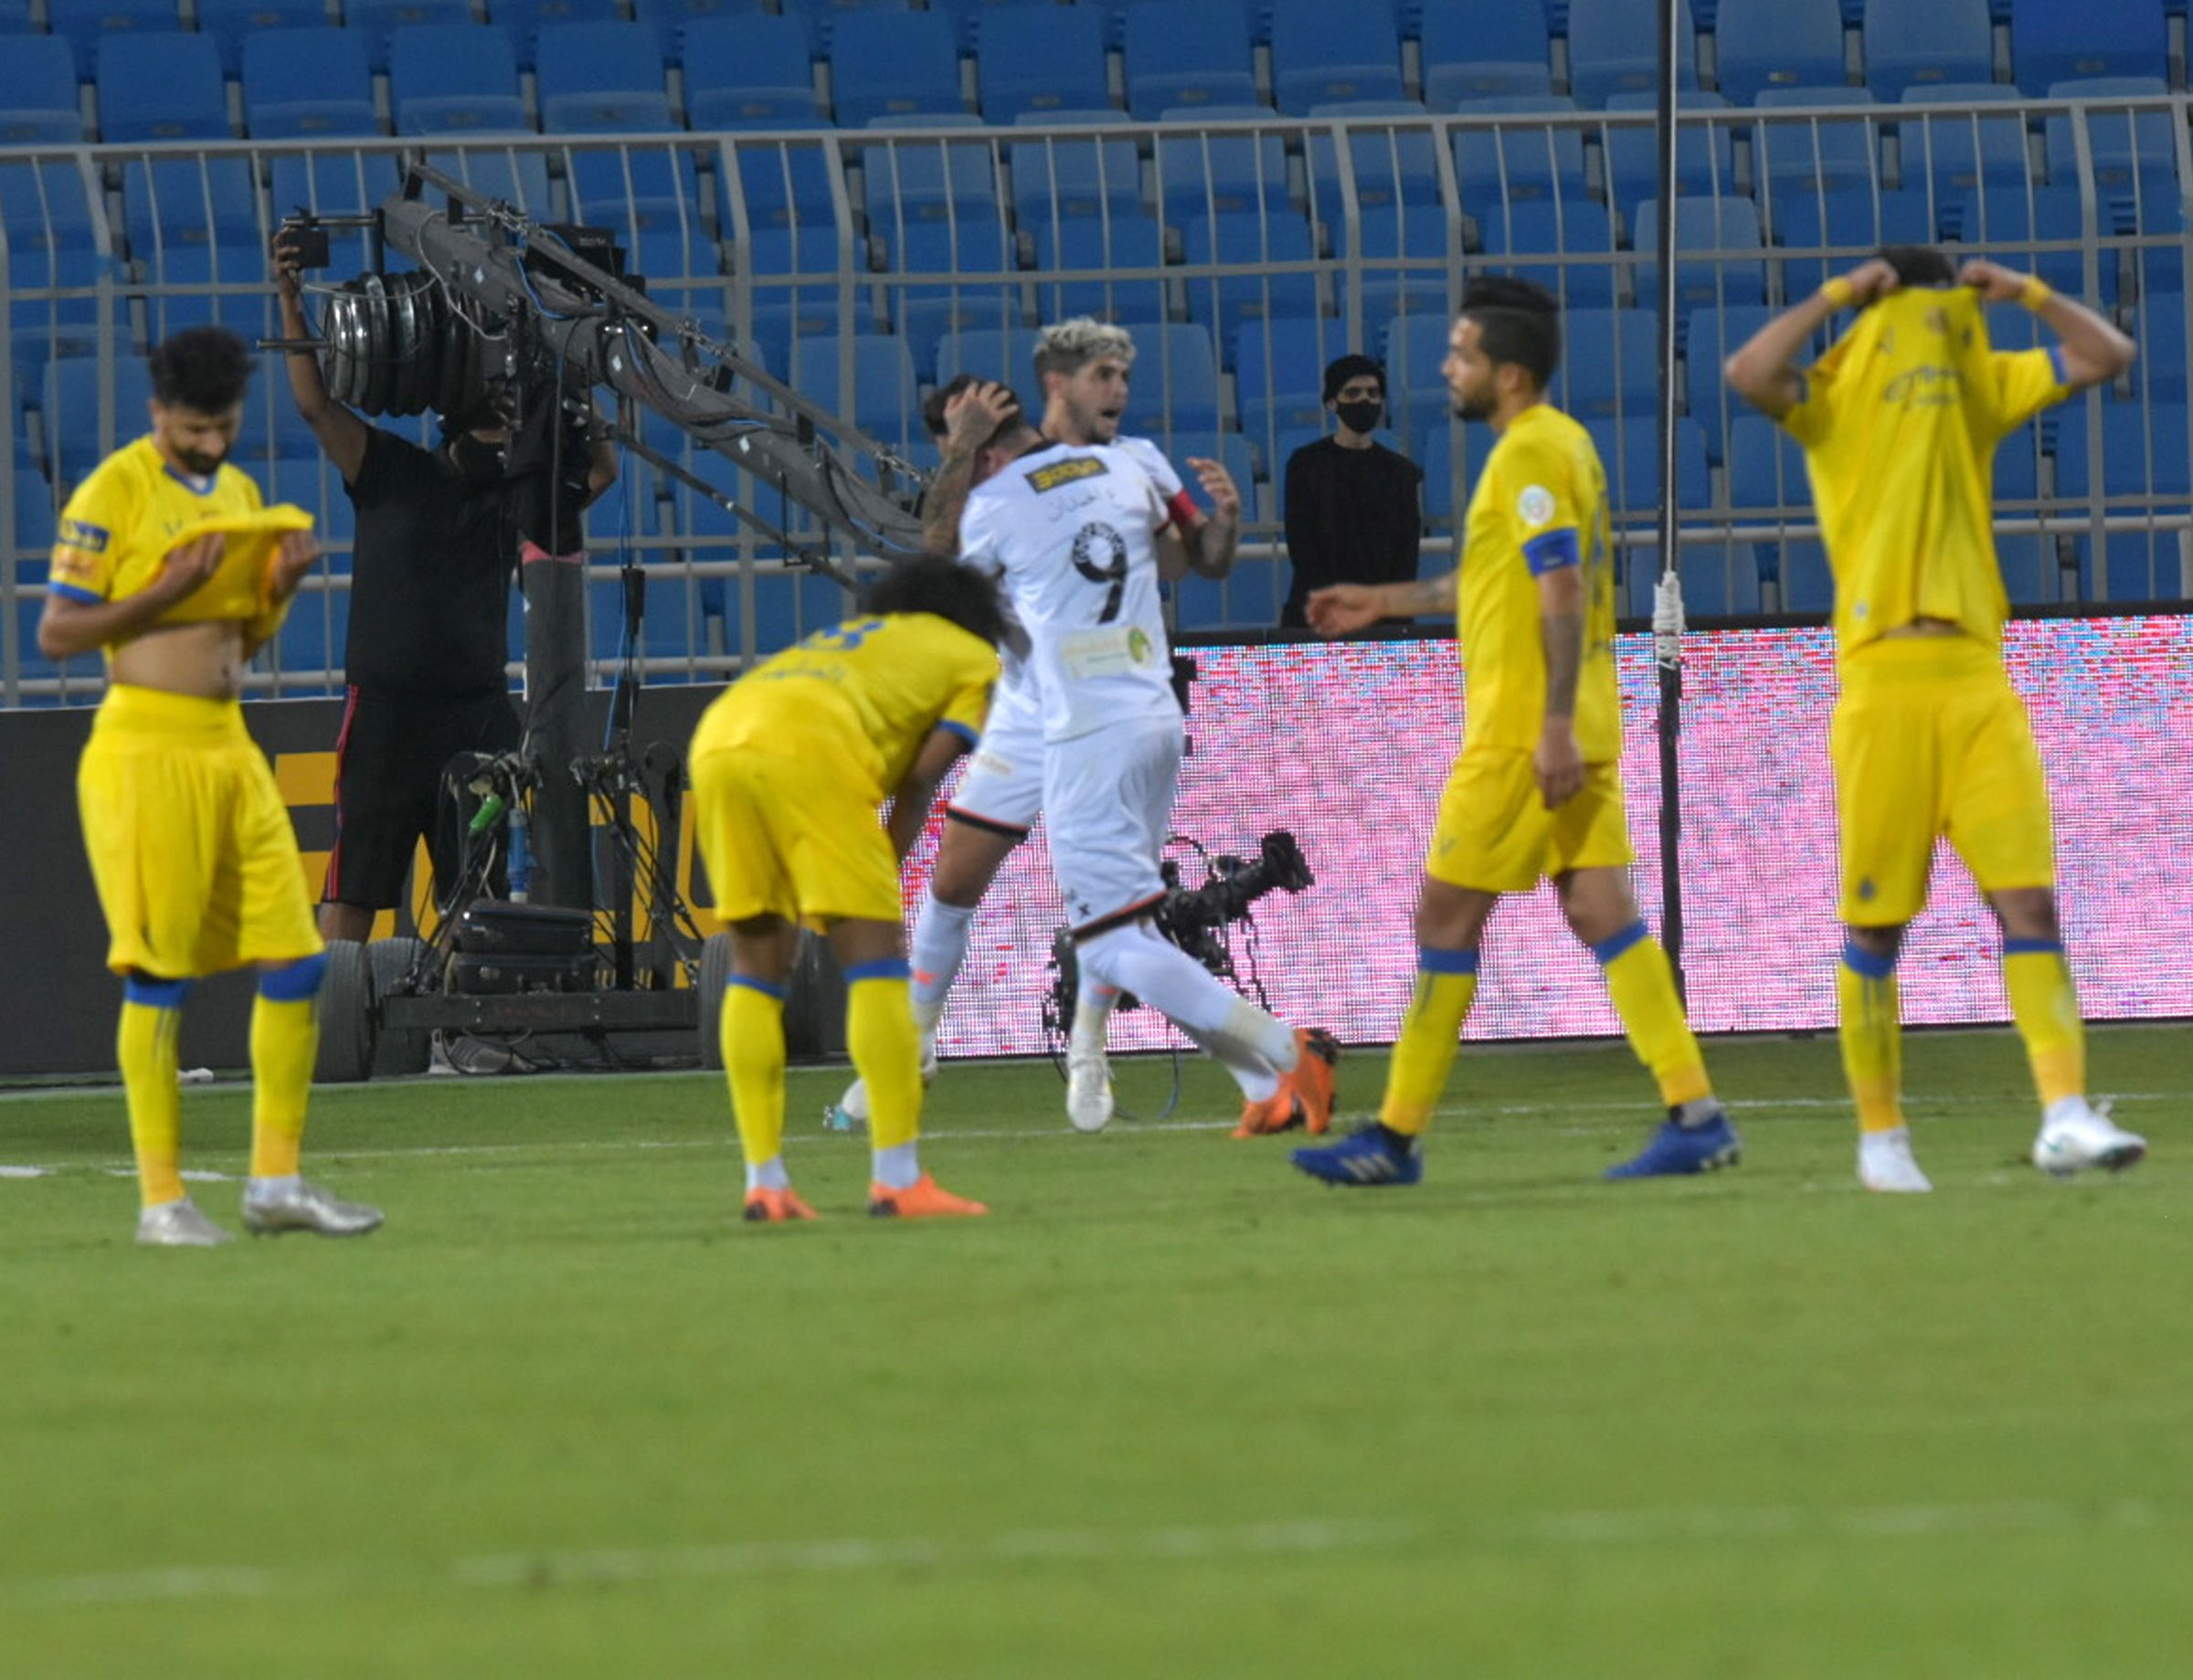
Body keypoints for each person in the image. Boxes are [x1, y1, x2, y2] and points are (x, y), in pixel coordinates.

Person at [1291, 278, 1742, 1189]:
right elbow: (1497, 583)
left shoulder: (1532, 449)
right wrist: (1384, 599)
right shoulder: (1555, 445)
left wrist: (1547, 728)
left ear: (1506, 372)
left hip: (1523, 736)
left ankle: (1395, 1135)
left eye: (1460, 355)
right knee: (1600, 911)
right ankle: (1696, 1114)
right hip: (1578, 726)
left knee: (1445, 916)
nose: (1445, 369)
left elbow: (1562, 587)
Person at [1724, 247, 2145, 1191]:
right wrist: (1841, 293)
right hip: (1879, 691)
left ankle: (2065, 1116)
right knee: (1877, 930)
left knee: (2028, 902)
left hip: (1978, 680)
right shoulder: (1833, 402)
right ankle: (1882, 1139)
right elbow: (1746, 372)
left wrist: (2027, 292)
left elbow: (2110, 354)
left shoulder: (1981, 388)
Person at [954, 319, 1342, 1141]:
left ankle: (1286, 1050)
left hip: (1088, 729)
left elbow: (1206, 556)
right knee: (1125, 927)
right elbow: (1191, 558)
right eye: (1105, 376)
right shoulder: (1132, 466)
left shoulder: (1013, 495)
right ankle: (1260, 1086)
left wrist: (1226, 521)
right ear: (1056, 383)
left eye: (1125, 377)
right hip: (1152, 718)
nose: (1121, 393)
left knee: (1108, 936)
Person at [38, 327, 382, 1246]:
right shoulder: (114, 489)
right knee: (159, 977)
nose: (210, 444)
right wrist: (163, 588)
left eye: (221, 427)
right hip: (146, 753)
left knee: (299, 960)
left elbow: (235, 646)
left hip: (231, 747)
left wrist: (275, 593)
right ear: (158, 414)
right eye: (192, 430)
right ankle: (162, 1203)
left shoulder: (234, 495)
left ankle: (275, 1183)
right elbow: (60, 635)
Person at [273, 228, 619, 944]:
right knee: (357, 882)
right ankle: (331, 1034)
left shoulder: (519, 496)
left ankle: (467, 1038)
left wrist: (573, 372)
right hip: (388, 711)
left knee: (480, 890)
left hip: (477, 709)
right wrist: (288, 298)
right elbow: (315, 404)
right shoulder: (392, 469)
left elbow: (602, 469)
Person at [690, 555, 1011, 1220]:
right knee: (877, 966)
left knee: (755, 966)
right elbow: (922, 774)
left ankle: (765, 1182)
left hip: (721, 737)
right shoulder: (975, 658)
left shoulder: (850, 640)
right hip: (814, 749)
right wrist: (875, 877)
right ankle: (897, 1178)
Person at [1281, 354, 1425, 628]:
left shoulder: (1401, 472)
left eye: (1373, 393)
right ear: (1332, 402)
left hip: (1384, 618)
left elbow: (1406, 554)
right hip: (1318, 613)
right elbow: (1302, 546)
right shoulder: (1306, 466)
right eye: (1353, 393)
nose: (1365, 401)